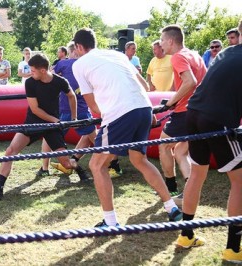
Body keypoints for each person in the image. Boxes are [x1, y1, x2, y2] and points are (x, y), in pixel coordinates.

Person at [72, 28, 182, 228]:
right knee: (139, 159)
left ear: (79, 46)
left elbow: (92, 105)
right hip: (144, 108)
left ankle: (110, 221)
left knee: (97, 165)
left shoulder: (79, 64)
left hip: (120, 112)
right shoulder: (117, 55)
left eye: (76, 49)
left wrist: (106, 113)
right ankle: (171, 207)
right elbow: (145, 85)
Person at [0, 53, 90, 201]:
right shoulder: (30, 82)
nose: (30, 73)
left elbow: (72, 96)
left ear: (43, 70)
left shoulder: (60, 81)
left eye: (33, 70)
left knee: (66, 164)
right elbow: (36, 109)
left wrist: (74, 118)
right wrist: (56, 120)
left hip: (52, 128)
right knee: (10, 151)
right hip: (33, 123)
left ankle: (79, 169)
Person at [175, 20, 242, 263]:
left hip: (194, 113)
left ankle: (186, 235)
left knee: (197, 173)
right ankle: (234, 248)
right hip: (217, 119)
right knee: (240, 181)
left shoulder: (225, 52)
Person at [158, 25, 207, 203]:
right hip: (199, 111)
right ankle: (189, 188)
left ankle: (170, 187)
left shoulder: (178, 57)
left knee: (163, 146)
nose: (161, 44)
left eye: (162, 40)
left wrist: (171, 103)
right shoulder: (195, 55)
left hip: (185, 111)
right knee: (180, 150)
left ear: (171, 41)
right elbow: (203, 82)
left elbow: (190, 82)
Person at [38, 41, 97, 177]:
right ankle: (113, 164)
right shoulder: (86, 66)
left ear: (71, 52)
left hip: (64, 109)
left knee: (48, 137)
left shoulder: (63, 64)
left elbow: (48, 77)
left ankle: (45, 168)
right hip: (82, 109)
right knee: (94, 137)